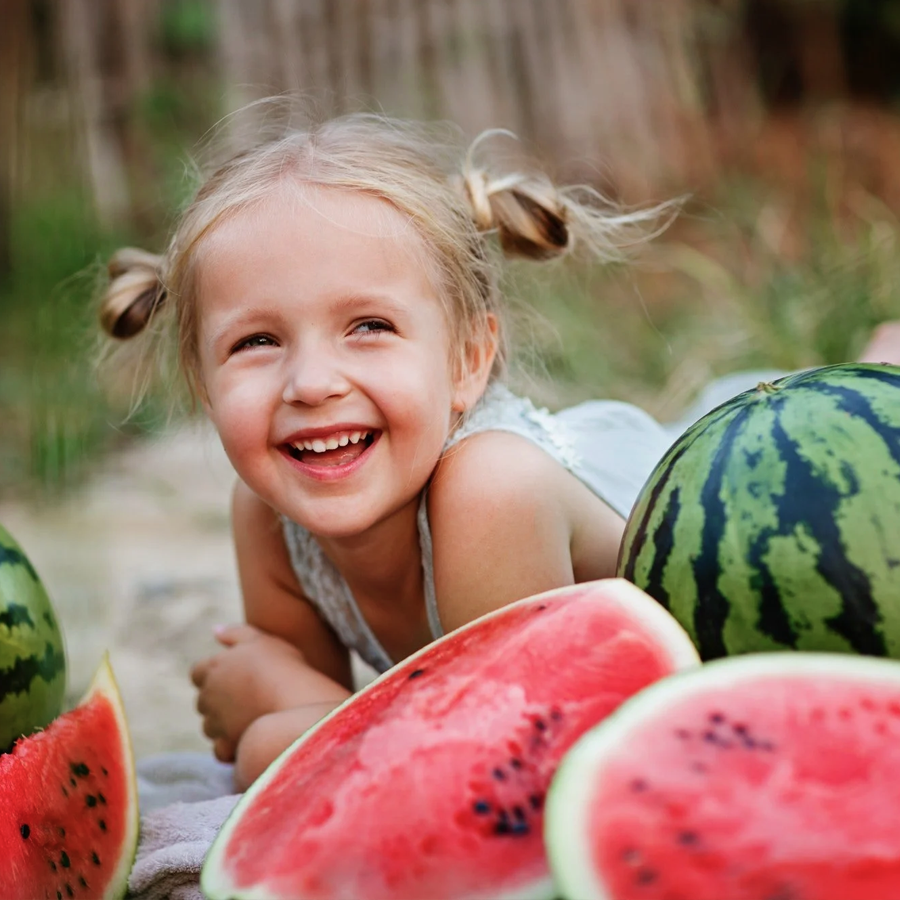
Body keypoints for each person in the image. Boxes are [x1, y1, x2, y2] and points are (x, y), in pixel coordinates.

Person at [98, 113, 897, 796]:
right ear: (203, 387)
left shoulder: (488, 489)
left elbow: (491, 758)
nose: (310, 382)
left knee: (833, 424)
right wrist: (292, 709)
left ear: (470, 360)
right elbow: (350, 744)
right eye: (257, 342)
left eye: (368, 327)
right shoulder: (267, 514)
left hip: (746, 499)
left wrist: (269, 724)